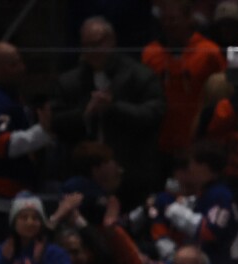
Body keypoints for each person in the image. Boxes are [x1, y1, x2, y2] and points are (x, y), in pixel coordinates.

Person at [52, 16, 165, 207]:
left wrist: (114, 108)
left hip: (129, 172)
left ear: (111, 41)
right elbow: (55, 121)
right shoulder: (68, 82)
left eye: (96, 44)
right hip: (81, 174)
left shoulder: (139, 76)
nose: (91, 51)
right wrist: (84, 114)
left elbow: (154, 114)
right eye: (86, 45)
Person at [0, 42, 52, 246]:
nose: (21, 68)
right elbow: (1, 145)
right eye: (13, 64)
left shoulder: (8, 96)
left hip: (9, 195)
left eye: (19, 62)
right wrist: (43, 132)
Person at [163, 140, 238, 264]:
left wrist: (175, 210)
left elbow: (209, 232)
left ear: (204, 167)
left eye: (191, 165)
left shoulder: (220, 195)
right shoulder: (205, 196)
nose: (187, 170)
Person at [142, 0, 226, 157]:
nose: (168, 24)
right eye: (164, 19)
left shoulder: (209, 52)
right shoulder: (150, 53)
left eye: (173, 19)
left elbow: (222, 94)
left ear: (189, 19)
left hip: (198, 141)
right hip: (160, 140)